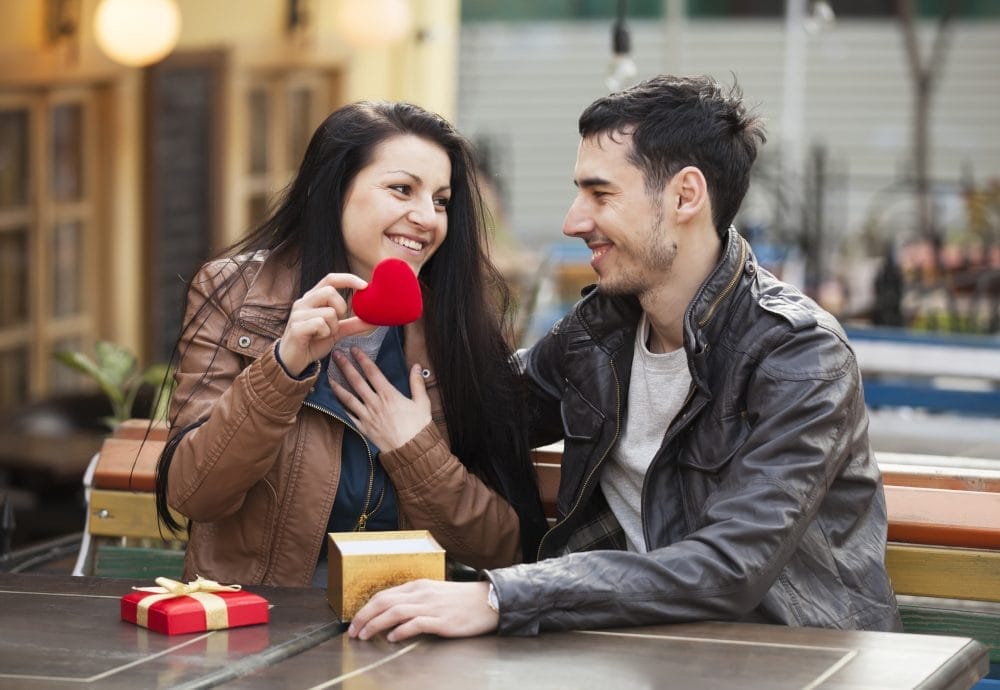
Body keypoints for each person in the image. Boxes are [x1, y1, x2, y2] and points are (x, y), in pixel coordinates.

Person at [346, 74, 903, 640]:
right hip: (640, 649)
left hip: (791, 655)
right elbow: (488, 412)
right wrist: (403, 291)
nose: (573, 221)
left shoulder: (799, 354)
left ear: (685, 195)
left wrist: (504, 596)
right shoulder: (600, 330)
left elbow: (728, 567)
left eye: (601, 194)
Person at [154, 101, 548, 587]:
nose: (428, 218)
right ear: (333, 189)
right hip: (260, 618)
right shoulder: (232, 292)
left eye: (441, 200)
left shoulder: (457, 319)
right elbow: (194, 494)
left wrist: (414, 448)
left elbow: (503, 547)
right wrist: (283, 367)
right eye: (402, 189)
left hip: (401, 625)